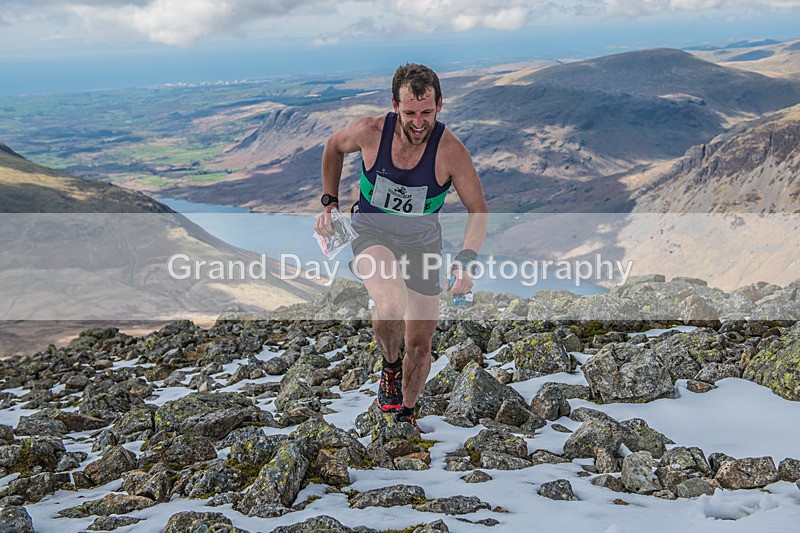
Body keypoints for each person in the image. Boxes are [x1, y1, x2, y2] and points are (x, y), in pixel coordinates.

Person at [314, 63, 488, 429]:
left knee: (421, 346)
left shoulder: (451, 151)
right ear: (395, 105)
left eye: (427, 112)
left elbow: (478, 210)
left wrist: (466, 260)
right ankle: (390, 366)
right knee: (392, 303)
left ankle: (405, 413)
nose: (419, 122)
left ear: (439, 104)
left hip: (422, 245)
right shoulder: (370, 131)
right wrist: (329, 201)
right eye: (410, 113)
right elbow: (332, 147)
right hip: (371, 233)